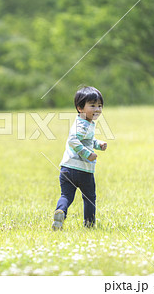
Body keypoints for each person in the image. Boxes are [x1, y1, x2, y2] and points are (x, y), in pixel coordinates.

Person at [52, 86, 108, 230]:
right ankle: (89, 224)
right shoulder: (82, 124)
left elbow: (86, 140)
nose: (97, 109)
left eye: (99, 106)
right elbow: (73, 140)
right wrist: (87, 154)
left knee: (66, 195)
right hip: (83, 169)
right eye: (92, 105)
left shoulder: (85, 122)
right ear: (80, 108)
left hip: (67, 168)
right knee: (89, 198)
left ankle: (61, 212)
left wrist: (98, 143)